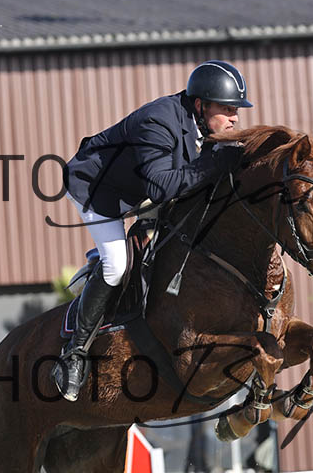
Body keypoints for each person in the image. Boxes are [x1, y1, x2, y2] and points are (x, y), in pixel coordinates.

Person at [53, 59, 253, 401]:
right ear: (200, 106)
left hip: (139, 188)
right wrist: (212, 164)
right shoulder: (157, 121)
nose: (234, 118)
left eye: (236, 110)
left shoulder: (203, 127)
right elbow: (161, 187)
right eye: (227, 109)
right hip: (97, 190)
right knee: (116, 265)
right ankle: (75, 352)